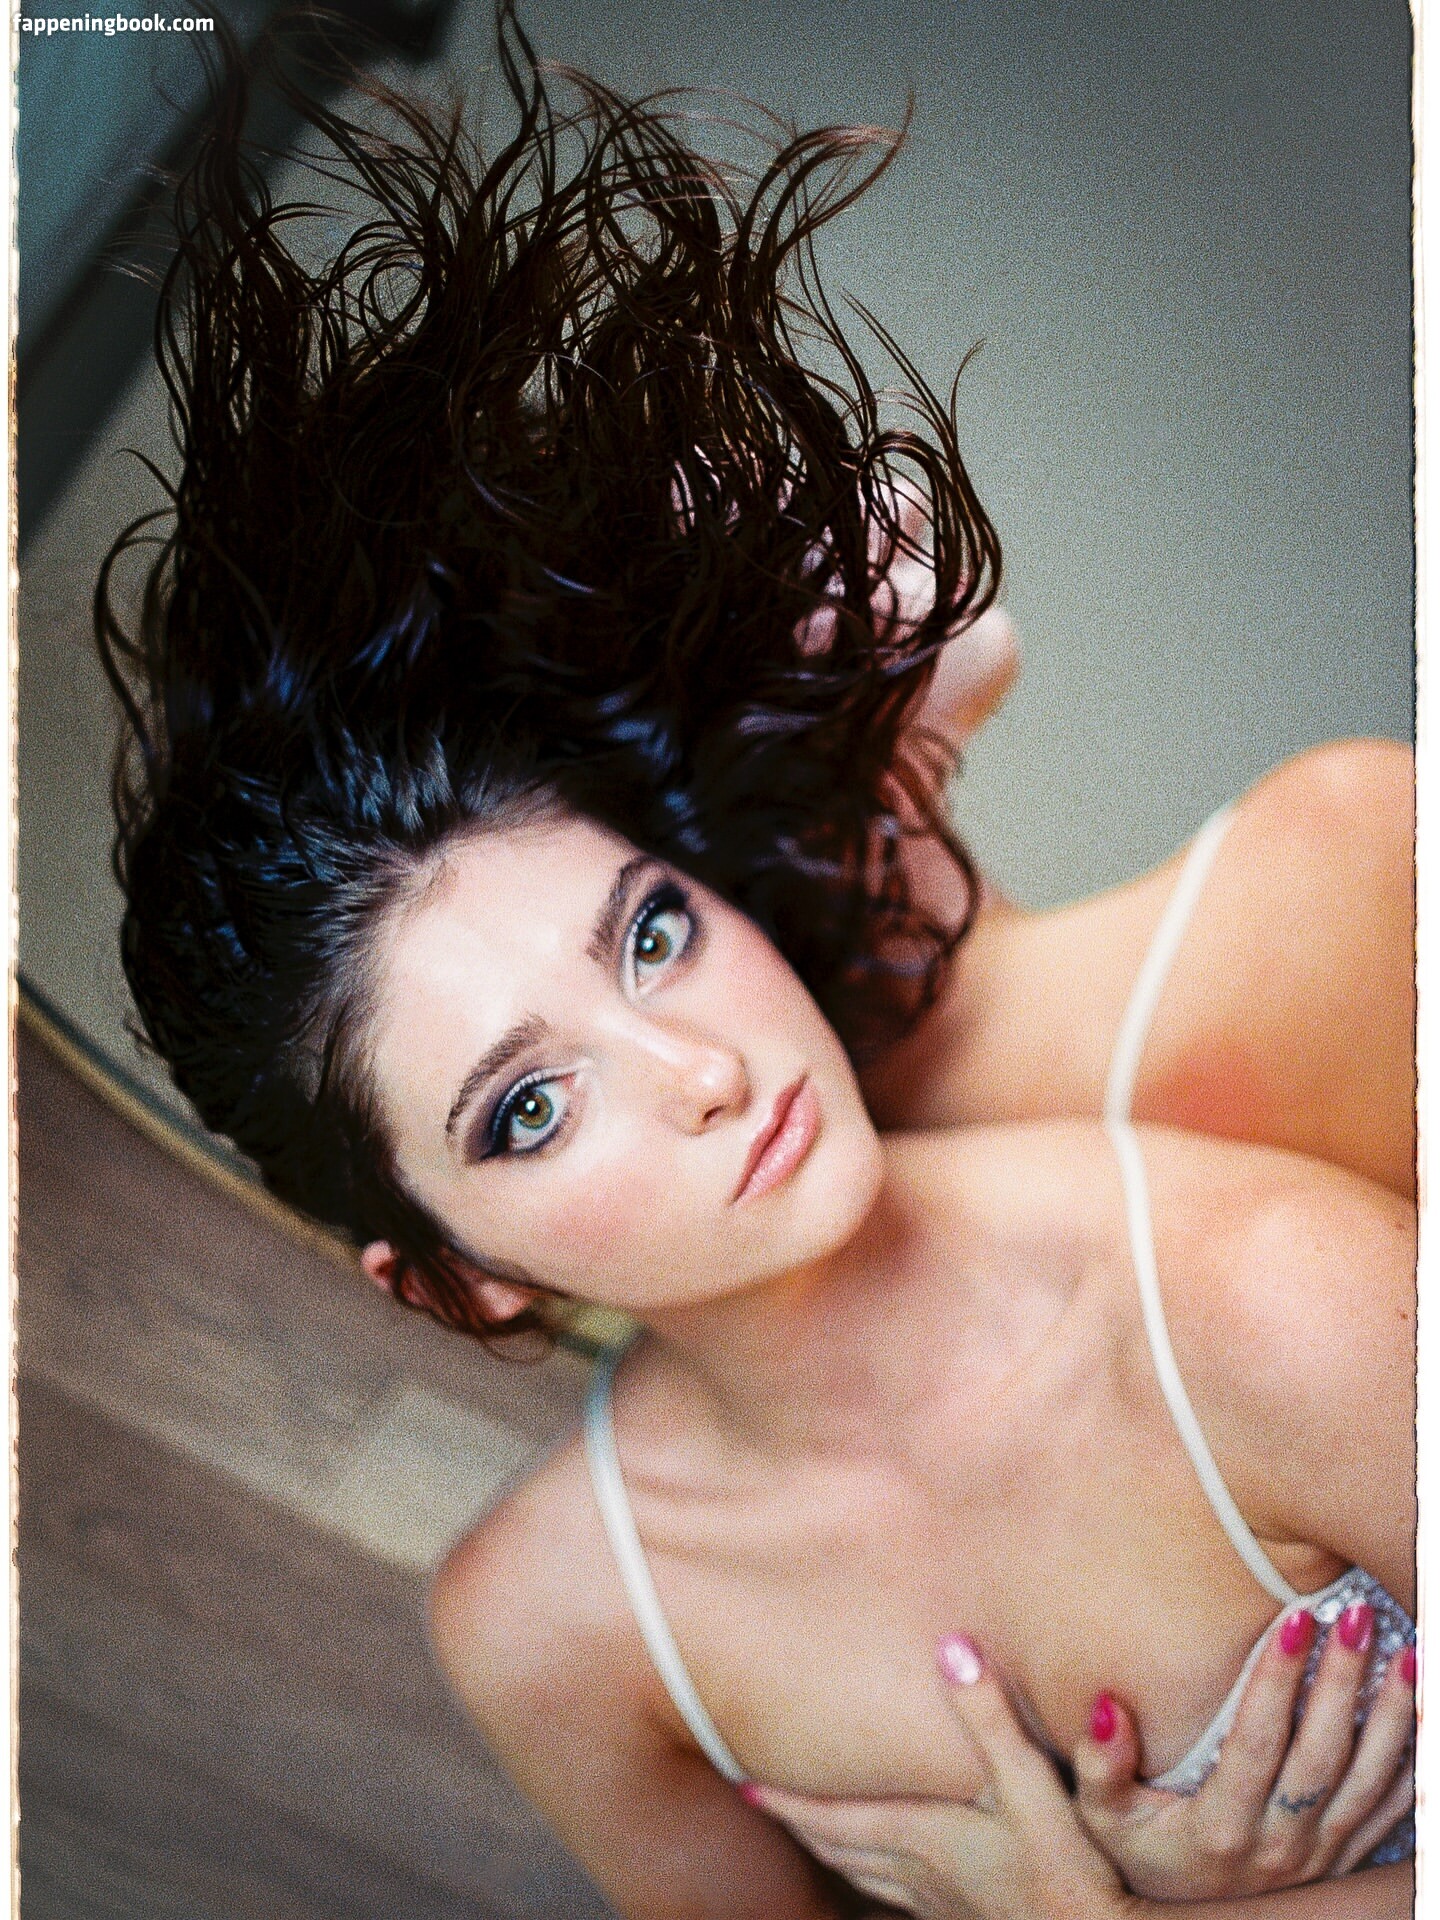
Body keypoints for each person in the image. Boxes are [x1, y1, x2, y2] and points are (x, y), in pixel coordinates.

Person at [94, 14, 1415, 1917]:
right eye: (529, 1108)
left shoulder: (1262, 1261)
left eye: (649, 934)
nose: (702, 1067)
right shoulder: (553, 1633)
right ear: (456, 1279)